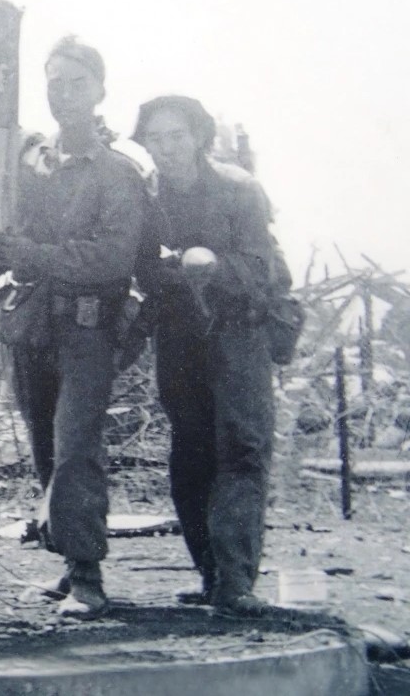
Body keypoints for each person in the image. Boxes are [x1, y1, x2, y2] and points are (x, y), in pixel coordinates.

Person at [0, 36, 146, 619]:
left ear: (100, 91)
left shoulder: (119, 173)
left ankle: (87, 576)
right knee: (45, 447)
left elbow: (113, 258)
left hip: (88, 330)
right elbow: (8, 228)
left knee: (76, 449)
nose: (65, 94)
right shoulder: (32, 165)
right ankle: (66, 558)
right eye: (55, 82)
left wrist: (34, 255)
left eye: (77, 83)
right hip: (32, 326)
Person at [132, 95, 280, 617]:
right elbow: (140, 267)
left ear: (198, 137)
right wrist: (164, 274)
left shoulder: (239, 189)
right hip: (179, 338)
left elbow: (261, 267)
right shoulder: (147, 198)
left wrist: (212, 266)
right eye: (155, 139)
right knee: (191, 454)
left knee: (240, 448)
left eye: (176, 136)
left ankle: (236, 581)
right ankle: (211, 574)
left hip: (239, 334)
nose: (166, 148)